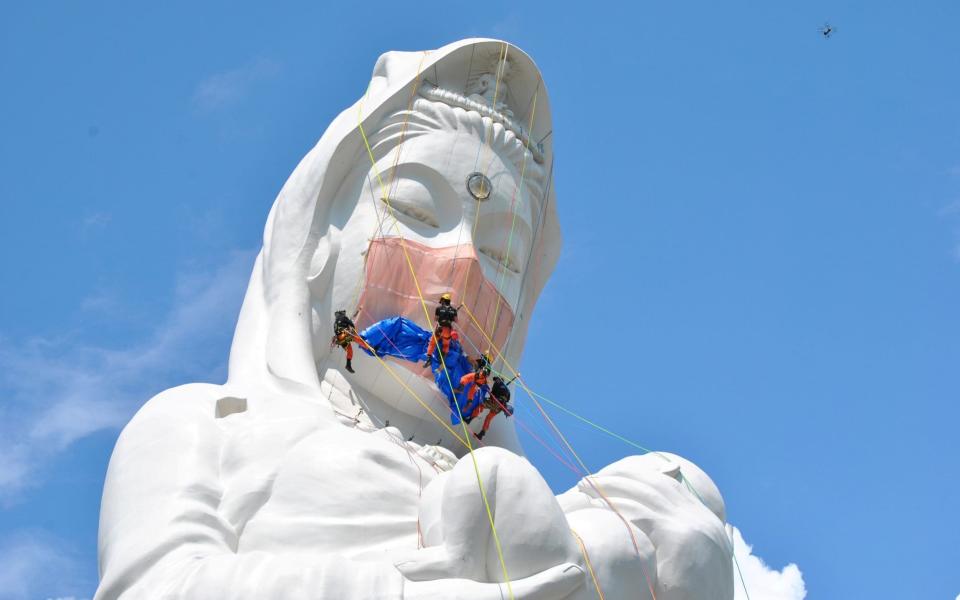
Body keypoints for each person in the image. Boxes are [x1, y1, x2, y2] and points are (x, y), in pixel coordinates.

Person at [472, 375, 515, 440]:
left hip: (497, 403)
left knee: (482, 404)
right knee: (488, 418)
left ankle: (470, 418)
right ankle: (483, 432)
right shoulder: (505, 390)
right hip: (498, 408)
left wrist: (492, 395)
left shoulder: (499, 386)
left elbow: (495, 393)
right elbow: (504, 396)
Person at [423, 293, 460, 366]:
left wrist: (442, 317)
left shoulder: (439, 308)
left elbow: (435, 319)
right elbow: (456, 321)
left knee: (432, 343)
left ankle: (428, 359)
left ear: (443, 301)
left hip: (439, 329)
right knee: (446, 345)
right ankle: (442, 359)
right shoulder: (453, 310)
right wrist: (452, 315)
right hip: (448, 331)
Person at [331, 309, 368, 373]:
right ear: (341, 314)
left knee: (349, 351)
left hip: (341, 340)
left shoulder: (335, 323)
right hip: (345, 335)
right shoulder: (343, 317)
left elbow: (351, 319)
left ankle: (348, 365)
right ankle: (369, 347)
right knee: (356, 338)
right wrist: (353, 328)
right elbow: (350, 322)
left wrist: (357, 312)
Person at [459, 357, 492, 421]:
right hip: (481, 381)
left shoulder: (483, 362)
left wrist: (467, 359)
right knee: (472, 392)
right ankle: (470, 401)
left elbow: (474, 362)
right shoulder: (489, 367)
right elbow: (487, 377)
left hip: (477, 376)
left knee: (465, 378)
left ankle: (460, 388)